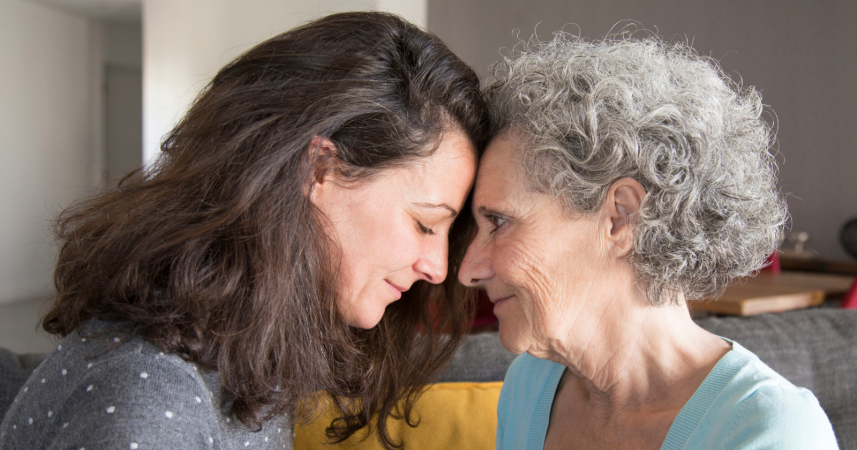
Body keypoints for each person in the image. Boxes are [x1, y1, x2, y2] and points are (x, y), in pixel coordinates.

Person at [0, 11, 489, 450]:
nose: (437, 267)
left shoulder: (239, 346)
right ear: (318, 169)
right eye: (425, 223)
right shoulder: (149, 401)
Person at [459, 34, 839, 449]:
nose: (468, 270)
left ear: (621, 217)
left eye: (499, 222)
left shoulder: (769, 431)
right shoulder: (529, 386)